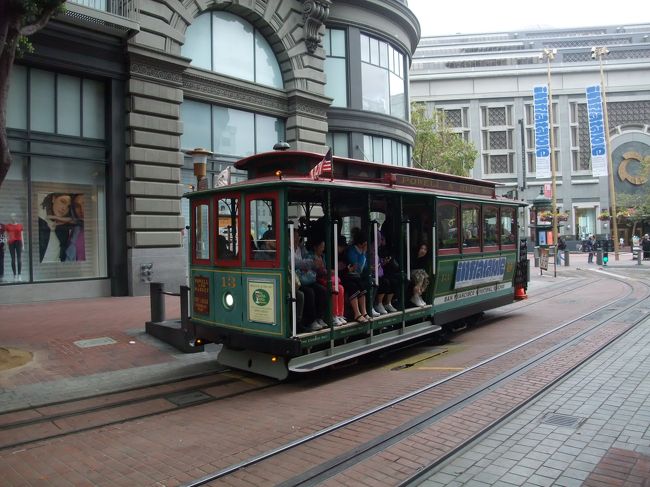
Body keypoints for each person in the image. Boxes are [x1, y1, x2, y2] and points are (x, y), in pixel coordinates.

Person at [340, 230, 371, 323]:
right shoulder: (351, 252)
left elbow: (365, 268)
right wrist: (362, 254)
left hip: (355, 276)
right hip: (346, 276)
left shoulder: (362, 252)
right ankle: (357, 314)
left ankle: (364, 312)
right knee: (354, 286)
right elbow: (358, 269)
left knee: (362, 285)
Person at [39, 193, 74, 263]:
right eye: (63, 201)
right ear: (53, 198)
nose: (64, 208)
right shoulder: (39, 221)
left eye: (68, 207)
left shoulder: (64, 229)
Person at [373, 232, 399, 315]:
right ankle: (378, 303)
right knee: (384, 282)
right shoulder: (372, 249)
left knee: (394, 281)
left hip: (381, 273)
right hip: (373, 274)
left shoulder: (383, 249)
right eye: (380, 239)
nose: (382, 241)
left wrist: (384, 261)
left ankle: (388, 303)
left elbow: (380, 262)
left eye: (382, 239)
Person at [410, 243, 430, 307]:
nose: (423, 250)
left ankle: (418, 295)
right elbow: (412, 267)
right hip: (411, 271)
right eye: (422, 248)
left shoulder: (424, 259)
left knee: (426, 278)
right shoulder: (413, 256)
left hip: (419, 273)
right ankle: (415, 296)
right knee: (421, 275)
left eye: (425, 249)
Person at [6, 213, 24, 280]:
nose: (13, 218)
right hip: (11, 243)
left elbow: (22, 236)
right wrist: (6, 244)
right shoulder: (7, 226)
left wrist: (23, 245)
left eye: (14, 216)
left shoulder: (20, 225)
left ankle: (19, 275)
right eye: (11, 216)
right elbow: (6, 236)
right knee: (13, 259)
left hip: (18, 242)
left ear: (16, 217)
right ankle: (14, 275)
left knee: (19, 259)